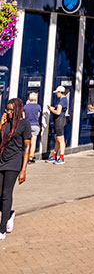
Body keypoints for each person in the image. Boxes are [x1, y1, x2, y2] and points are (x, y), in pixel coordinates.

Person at [0, 98, 31, 240]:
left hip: (14, 162)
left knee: (6, 193)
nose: (8, 112)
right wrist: (1, 123)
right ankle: (9, 213)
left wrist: (23, 169)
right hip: (2, 160)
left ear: (17, 110)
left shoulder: (24, 125)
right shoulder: (5, 124)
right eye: (7, 109)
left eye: (11, 110)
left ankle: (2, 228)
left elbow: (27, 147)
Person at [47, 86, 69, 163]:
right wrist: (52, 108)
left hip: (59, 121)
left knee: (60, 139)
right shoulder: (64, 99)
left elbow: (58, 112)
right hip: (59, 120)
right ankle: (54, 156)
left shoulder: (61, 101)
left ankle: (61, 157)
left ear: (60, 92)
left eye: (57, 92)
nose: (56, 94)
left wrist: (51, 110)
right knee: (57, 139)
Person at [23, 92, 42, 163]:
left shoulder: (25, 106)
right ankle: (30, 158)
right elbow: (38, 115)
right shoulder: (38, 106)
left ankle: (25, 157)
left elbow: (23, 116)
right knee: (33, 142)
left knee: (27, 142)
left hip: (27, 126)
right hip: (35, 125)